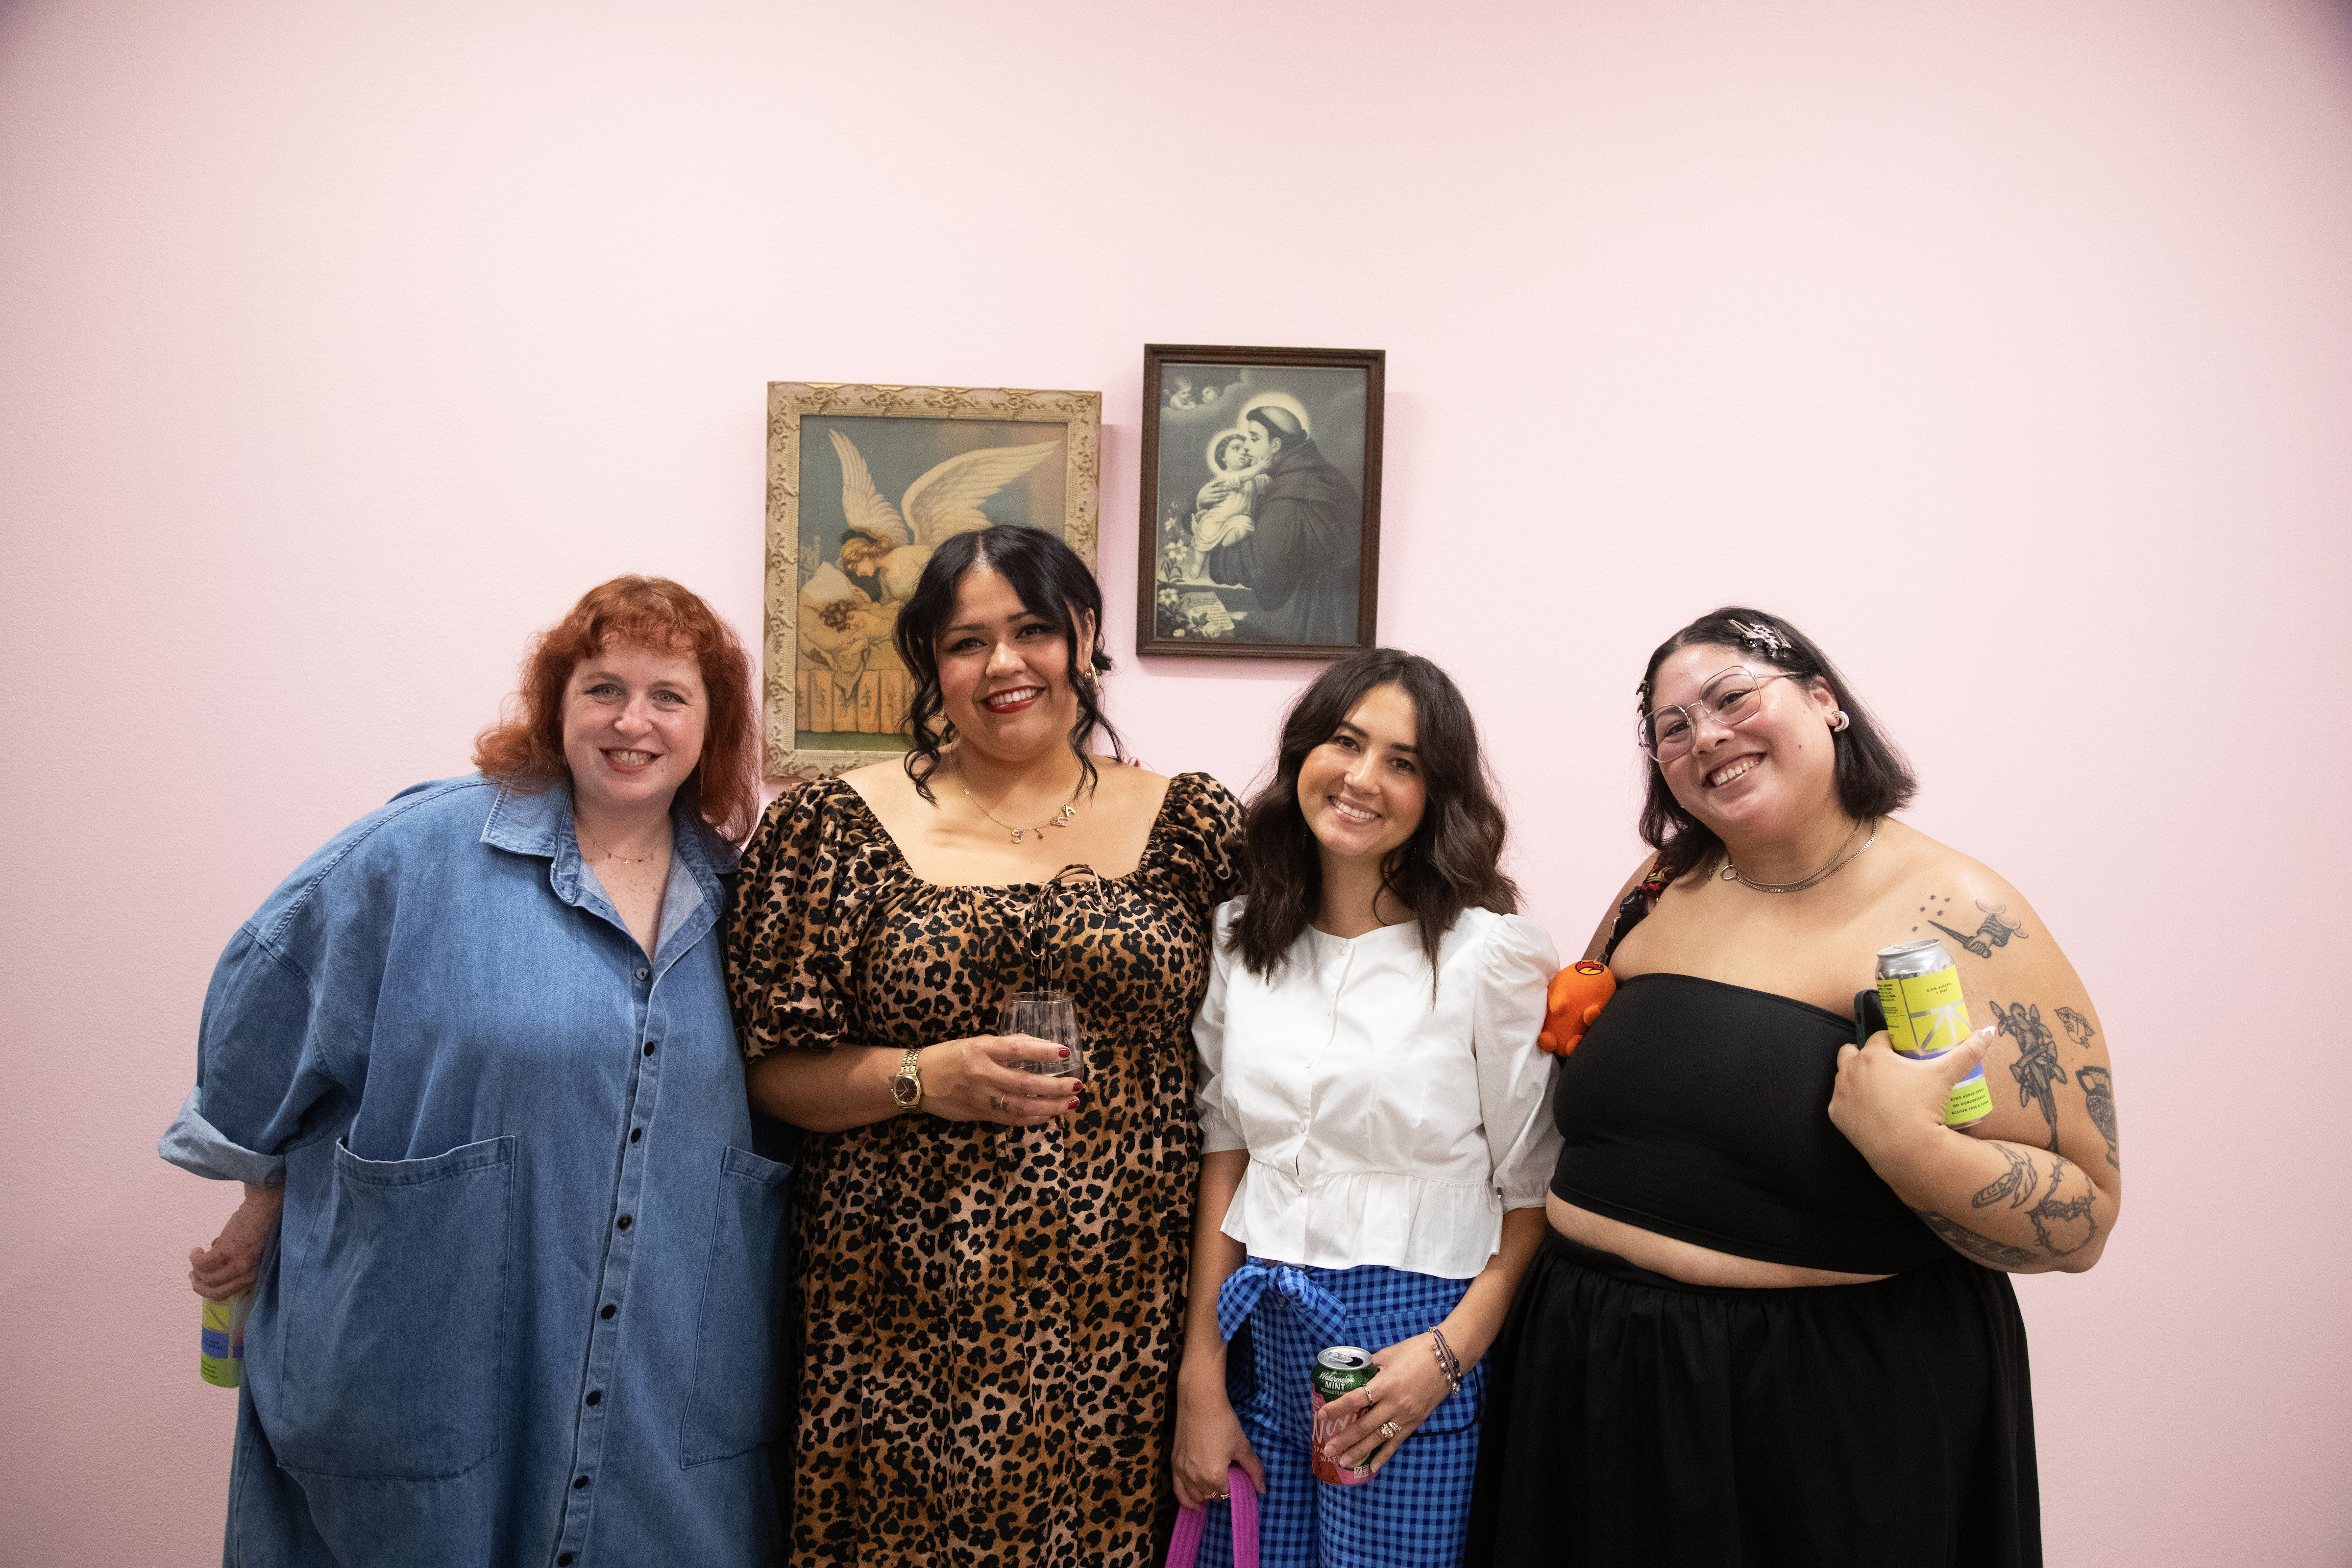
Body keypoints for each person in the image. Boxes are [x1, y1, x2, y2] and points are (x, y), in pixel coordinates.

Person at [1467, 608, 2123, 1566]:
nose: (1707, 736)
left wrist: (1917, 1149)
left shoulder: (1961, 915)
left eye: (1732, 696)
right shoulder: (1664, 882)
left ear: (1826, 700)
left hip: (1819, 1412)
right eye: (1673, 728)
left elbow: (2086, 1219)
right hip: (1588, 1375)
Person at [159, 577, 784, 1567]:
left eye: (670, 695)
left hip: (660, 1414)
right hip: (424, 1376)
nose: (634, 720)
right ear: (556, 704)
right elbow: (272, 992)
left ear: (713, 725)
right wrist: (262, 1182)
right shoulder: (421, 852)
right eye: (603, 689)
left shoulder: (750, 901)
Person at [724, 523, 1242, 1566]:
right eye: (966, 642)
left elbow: (1254, 1078)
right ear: (929, 662)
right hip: (895, 1320)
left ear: (1085, 638)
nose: (1003, 664)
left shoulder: (1195, 824)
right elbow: (770, 1072)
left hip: (1126, 1323)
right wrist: (926, 1077)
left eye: (1033, 629)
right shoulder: (833, 827)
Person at [1174, 649, 1559, 1568]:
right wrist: (1201, 1373)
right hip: (1260, 1336)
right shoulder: (1240, 935)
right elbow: (1227, 1152)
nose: (1362, 778)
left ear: (1439, 796)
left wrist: (1446, 1357)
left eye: (1404, 762)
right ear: (1305, 753)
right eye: (1345, 743)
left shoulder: (1490, 958)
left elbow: (1532, 1191)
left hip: (1417, 1341)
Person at [1199, 404, 1362, 645]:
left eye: (1254, 439)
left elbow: (1263, 570)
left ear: (1275, 446)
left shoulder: (1291, 495)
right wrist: (1201, 503)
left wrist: (1212, 551)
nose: (1246, 446)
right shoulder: (1318, 473)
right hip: (1334, 604)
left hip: (1315, 613)